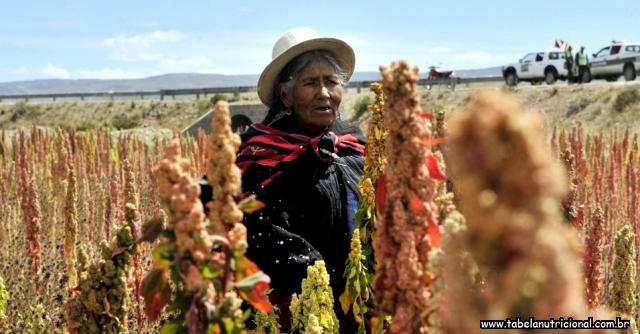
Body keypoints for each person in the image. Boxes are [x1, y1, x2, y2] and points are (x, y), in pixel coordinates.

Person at [201, 27, 365, 332]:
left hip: (361, 302)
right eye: (310, 83)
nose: (324, 93)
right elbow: (251, 227)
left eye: (331, 81)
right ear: (285, 95)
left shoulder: (353, 145)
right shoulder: (260, 153)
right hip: (294, 308)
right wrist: (319, 277)